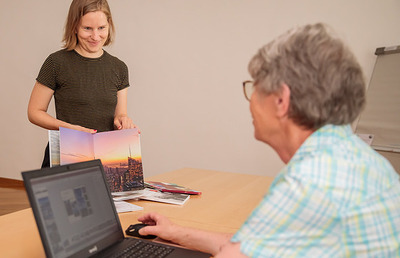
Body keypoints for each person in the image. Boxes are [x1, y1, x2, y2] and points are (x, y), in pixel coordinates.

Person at [136, 23, 400, 257]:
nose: (250, 101)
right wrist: (176, 233)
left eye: (255, 87)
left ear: (281, 101)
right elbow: (252, 245)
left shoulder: (307, 182)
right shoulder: (357, 159)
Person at [27, 0, 137, 167]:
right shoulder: (56, 63)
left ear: (109, 26)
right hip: (65, 155)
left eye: (101, 28)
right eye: (87, 28)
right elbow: (34, 112)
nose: (95, 36)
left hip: (104, 160)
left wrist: (124, 121)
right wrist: (70, 129)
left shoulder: (119, 68)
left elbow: (119, 116)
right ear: (74, 27)